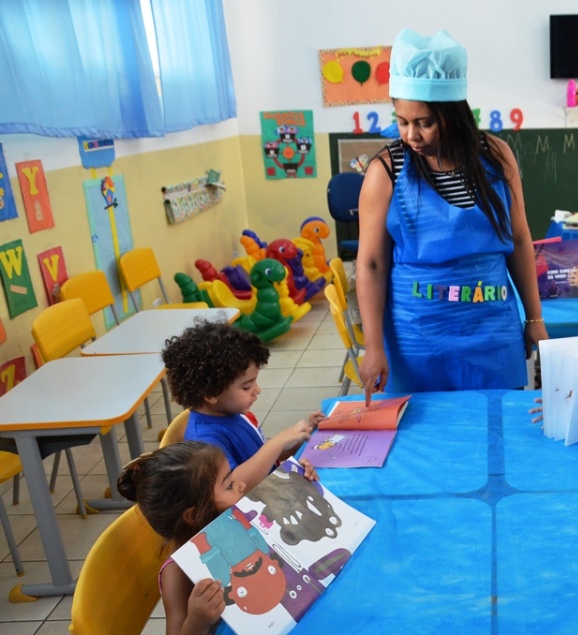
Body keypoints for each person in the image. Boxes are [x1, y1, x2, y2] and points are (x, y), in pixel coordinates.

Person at [356, 29, 548, 400]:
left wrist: (534, 319)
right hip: (417, 334)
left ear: (454, 114)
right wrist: (373, 344)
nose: (411, 134)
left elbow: (520, 239)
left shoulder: (495, 155)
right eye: (402, 121)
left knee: (495, 428)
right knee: (424, 438)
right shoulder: (387, 170)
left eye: (424, 122)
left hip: (491, 329)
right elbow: (372, 264)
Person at [161, 319, 323, 490]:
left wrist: (301, 436)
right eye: (247, 386)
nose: (257, 390)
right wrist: (276, 443)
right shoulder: (204, 441)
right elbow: (230, 486)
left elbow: (261, 459)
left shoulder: (232, 413)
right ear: (211, 394)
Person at [117, 441, 246, 635]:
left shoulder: (223, 525)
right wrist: (198, 621)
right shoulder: (177, 572)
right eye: (229, 486)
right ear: (194, 516)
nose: (241, 486)